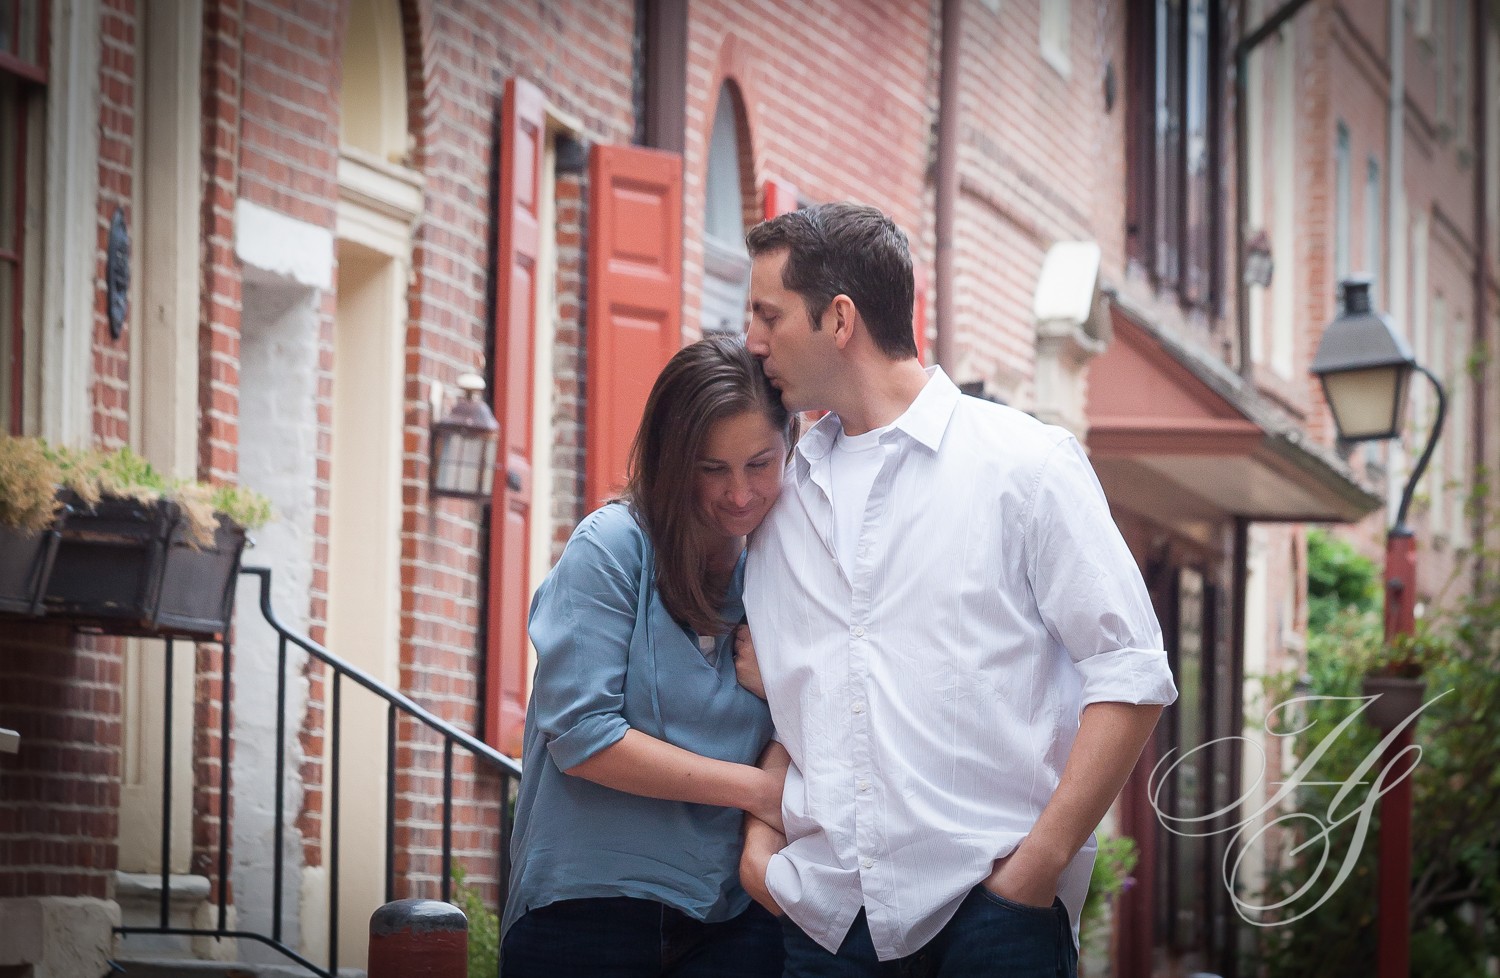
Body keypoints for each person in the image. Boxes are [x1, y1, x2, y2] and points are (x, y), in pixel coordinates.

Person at [736, 202, 1178, 977]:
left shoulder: (1026, 466)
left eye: (769, 315)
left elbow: (1132, 672)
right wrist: (763, 853)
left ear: (839, 320)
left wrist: (1032, 874)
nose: (752, 341)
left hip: (992, 919)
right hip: (826, 922)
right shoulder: (774, 499)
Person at [501, 334, 795, 978]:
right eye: (711, 467)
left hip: (730, 915)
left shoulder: (784, 571)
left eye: (760, 463)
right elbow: (582, 737)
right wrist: (760, 791)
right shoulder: (611, 547)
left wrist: (783, 692)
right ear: (670, 459)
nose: (740, 494)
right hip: (587, 913)